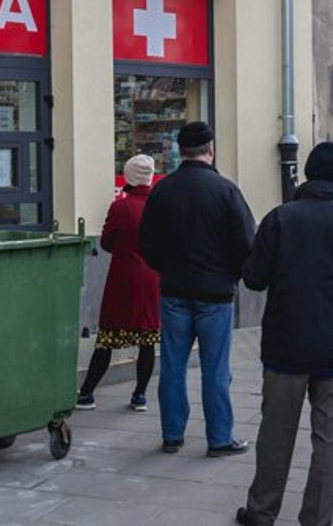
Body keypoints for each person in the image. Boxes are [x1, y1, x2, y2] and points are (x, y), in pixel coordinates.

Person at [235, 142, 333, 526]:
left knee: (275, 435)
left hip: (286, 346)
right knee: (327, 439)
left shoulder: (280, 219)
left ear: (307, 173)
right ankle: (317, 517)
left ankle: (262, 511)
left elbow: (253, 278)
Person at [139, 121, 256, 457]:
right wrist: (230, 273)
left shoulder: (162, 190)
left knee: (172, 365)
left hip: (174, 290)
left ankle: (172, 435)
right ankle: (219, 438)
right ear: (210, 149)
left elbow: (146, 243)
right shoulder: (225, 190)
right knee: (215, 368)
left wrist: (167, 267)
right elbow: (247, 242)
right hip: (215, 294)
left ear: (181, 151)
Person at [76, 154, 161, 412]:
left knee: (108, 338)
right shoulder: (160, 206)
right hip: (152, 279)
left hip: (123, 279)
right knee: (147, 340)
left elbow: (105, 242)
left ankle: (88, 393)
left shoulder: (121, 206)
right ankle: (139, 396)